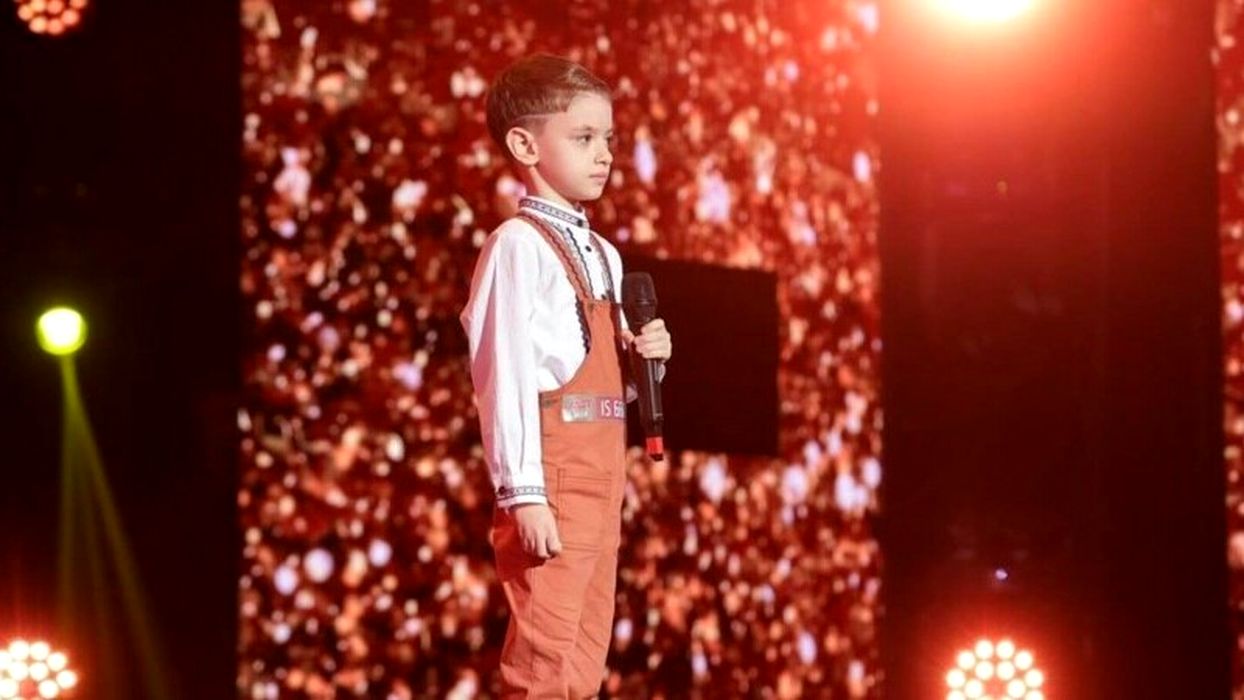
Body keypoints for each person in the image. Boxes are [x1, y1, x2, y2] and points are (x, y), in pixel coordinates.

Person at [460, 53, 673, 698]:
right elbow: (505, 375)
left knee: (583, 661)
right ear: (525, 145)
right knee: (543, 664)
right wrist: (522, 492)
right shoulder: (516, 245)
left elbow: (602, 383)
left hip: (603, 474)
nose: (603, 154)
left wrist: (647, 362)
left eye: (608, 138)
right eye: (582, 138)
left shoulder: (606, 254)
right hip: (554, 478)